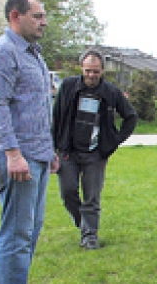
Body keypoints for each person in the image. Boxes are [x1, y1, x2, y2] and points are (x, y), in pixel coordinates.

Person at [0, 0, 58, 284]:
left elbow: (37, 108)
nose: (44, 22)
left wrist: (51, 151)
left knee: (30, 231)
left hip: (39, 154)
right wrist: (12, 153)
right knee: (15, 234)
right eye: (38, 16)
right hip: (17, 157)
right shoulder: (3, 52)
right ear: (16, 16)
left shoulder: (33, 54)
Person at [51, 49, 138, 249]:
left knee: (91, 197)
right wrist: (54, 146)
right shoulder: (68, 87)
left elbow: (131, 117)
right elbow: (56, 118)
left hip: (95, 153)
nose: (91, 75)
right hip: (68, 152)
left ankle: (90, 236)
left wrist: (114, 140)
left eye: (95, 71)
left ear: (102, 71)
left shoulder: (111, 92)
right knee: (68, 192)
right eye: (88, 71)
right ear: (81, 68)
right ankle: (83, 226)